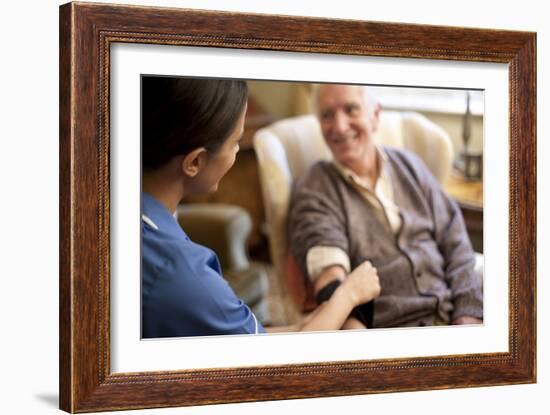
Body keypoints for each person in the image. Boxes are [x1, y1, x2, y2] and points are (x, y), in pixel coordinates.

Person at [141, 76, 381, 338]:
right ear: (195, 162)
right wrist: (350, 294)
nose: (340, 126)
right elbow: (274, 361)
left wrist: (306, 325)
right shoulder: (185, 276)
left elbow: (249, 337)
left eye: (351, 109)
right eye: (236, 142)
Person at [288, 83, 483, 329]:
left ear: (375, 116)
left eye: (351, 109)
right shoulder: (315, 187)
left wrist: (468, 316)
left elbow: (457, 245)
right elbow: (330, 277)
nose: (339, 126)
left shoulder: (410, 166)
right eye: (327, 115)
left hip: (452, 317)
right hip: (389, 331)